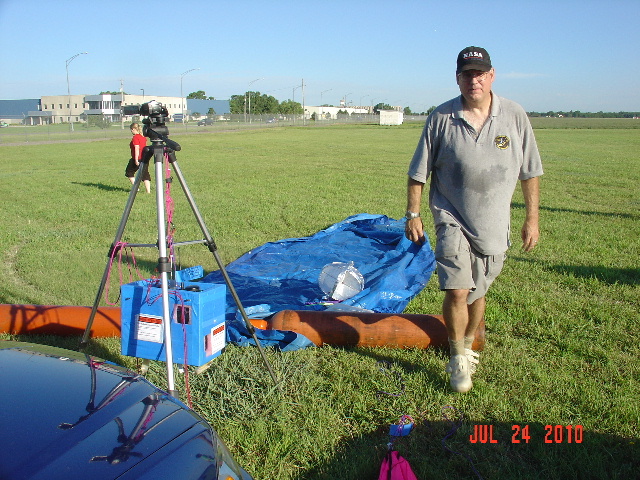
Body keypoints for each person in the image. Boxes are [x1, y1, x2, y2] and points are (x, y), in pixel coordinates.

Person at [405, 46, 543, 393]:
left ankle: (467, 345)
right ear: (458, 78)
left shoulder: (514, 115)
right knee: (458, 289)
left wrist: (532, 219)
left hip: (493, 222)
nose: (474, 80)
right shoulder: (441, 118)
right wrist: (413, 214)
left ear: (491, 76)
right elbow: (418, 172)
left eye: (480, 73)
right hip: (451, 215)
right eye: (467, 74)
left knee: (477, 290)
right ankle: (457, 357)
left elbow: (531, 172)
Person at [125, 122, 151, 193]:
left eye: (131, 129)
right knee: (145, 174)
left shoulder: (135, 137)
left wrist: (136, 159)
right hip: (145, 158)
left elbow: (137, 148)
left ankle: (136, 188)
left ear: (133, 129)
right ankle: (148, 191)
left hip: (137, 158)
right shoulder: (143, 137)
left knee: (129, 172)